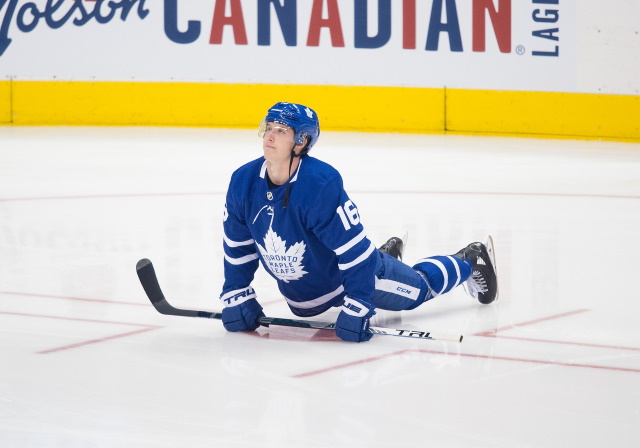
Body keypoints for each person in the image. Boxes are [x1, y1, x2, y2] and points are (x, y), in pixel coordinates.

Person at [220, 102, 498, 342]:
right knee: (313, 299)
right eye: (269, 128)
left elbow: (354, 253)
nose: (270, 136)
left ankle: (470, 260)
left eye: (281, 131)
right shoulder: (243, 181)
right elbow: (238, 244)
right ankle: (386, 257)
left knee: (419, 291)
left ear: (301, 141)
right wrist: (236, 291)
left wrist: (359, 304)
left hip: (347, 277)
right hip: (310, 289)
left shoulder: (318, 184)